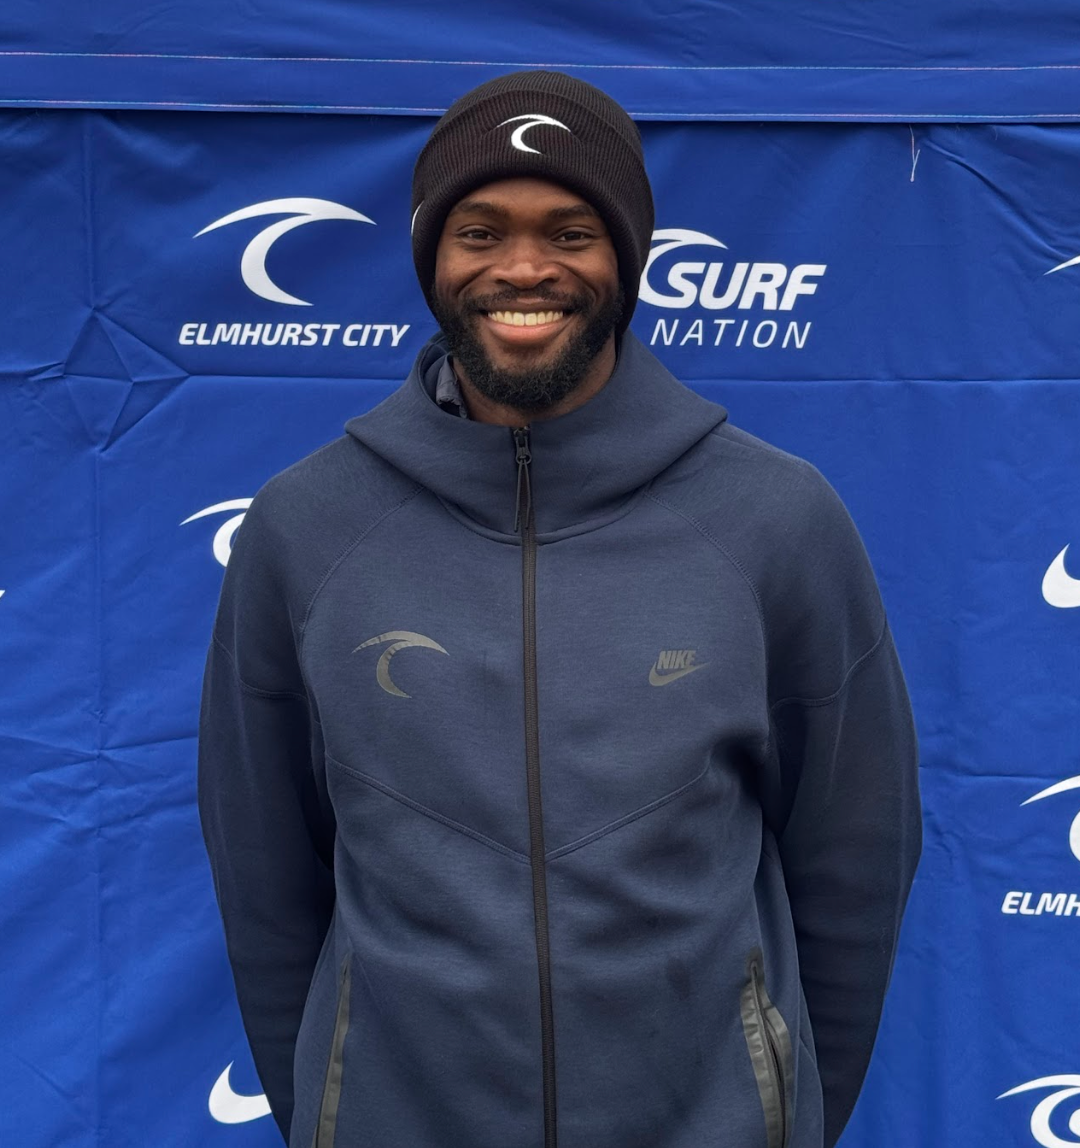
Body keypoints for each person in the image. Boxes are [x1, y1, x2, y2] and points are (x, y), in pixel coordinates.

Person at [198, 70, 921, 1148]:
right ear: (433, 258)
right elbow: (264, 875)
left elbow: (854, 858)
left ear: (625, 258)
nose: (524, 267)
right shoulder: (307, 526)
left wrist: (784, 1117)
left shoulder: (776, 518)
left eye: (571, 232)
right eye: (480, 231)